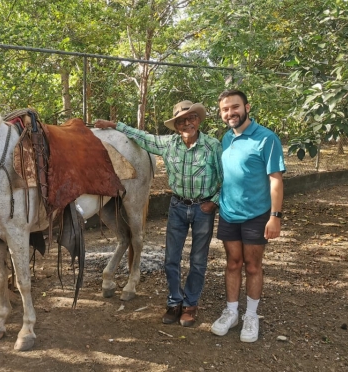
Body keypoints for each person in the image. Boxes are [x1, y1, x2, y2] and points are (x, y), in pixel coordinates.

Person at [94, 100, 223, 327]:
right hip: (178, 206)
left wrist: (213, 202)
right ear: (176, 125)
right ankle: (174, 302)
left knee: (198, 260)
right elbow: (140, 136)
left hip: (203, 208)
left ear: (198, 120)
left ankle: (190, 305)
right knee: (171, 259)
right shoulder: (168, 144)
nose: (187, 123)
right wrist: (114, 125)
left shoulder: (213, 146)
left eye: (191, 118)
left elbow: (225, 178)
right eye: (181, 120)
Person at [210, 90, 286, 342]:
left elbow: (275, 179)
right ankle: (231, 312)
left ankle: (251, 316)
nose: (230, 113)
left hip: (256, 214)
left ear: (247, 107)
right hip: (229, 213)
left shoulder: (267, 138)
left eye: (235, 107)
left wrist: (275, 216)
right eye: (225, 109)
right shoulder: (226, 139)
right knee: (232, 263)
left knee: (252, 266)